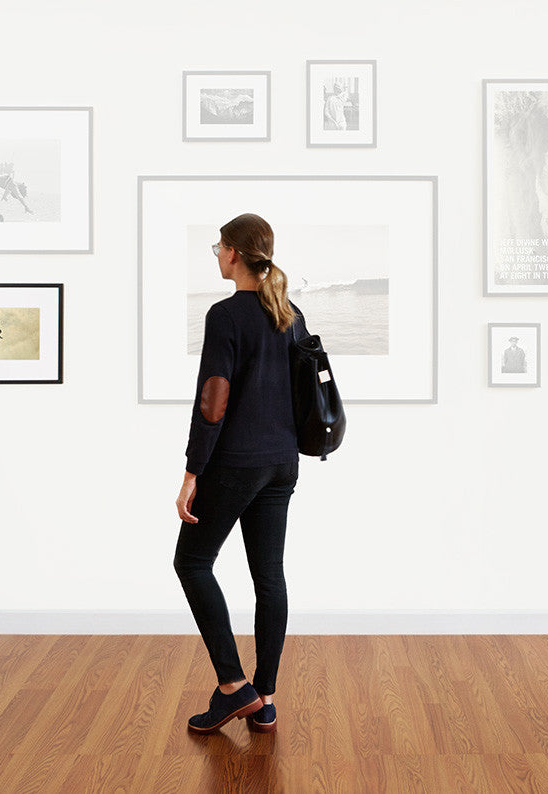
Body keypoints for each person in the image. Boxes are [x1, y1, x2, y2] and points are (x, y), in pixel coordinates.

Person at [173, 212, 309, 734]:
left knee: (192, 561)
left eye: (218, 248)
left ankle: (234, 688)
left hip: (236, 464)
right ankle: (266, 699)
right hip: (282, 463)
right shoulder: (289, 312)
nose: (217, 256)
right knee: (269, 577)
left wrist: (192, 471)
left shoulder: (225, 315)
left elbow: (214, 400)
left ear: (234, 253)